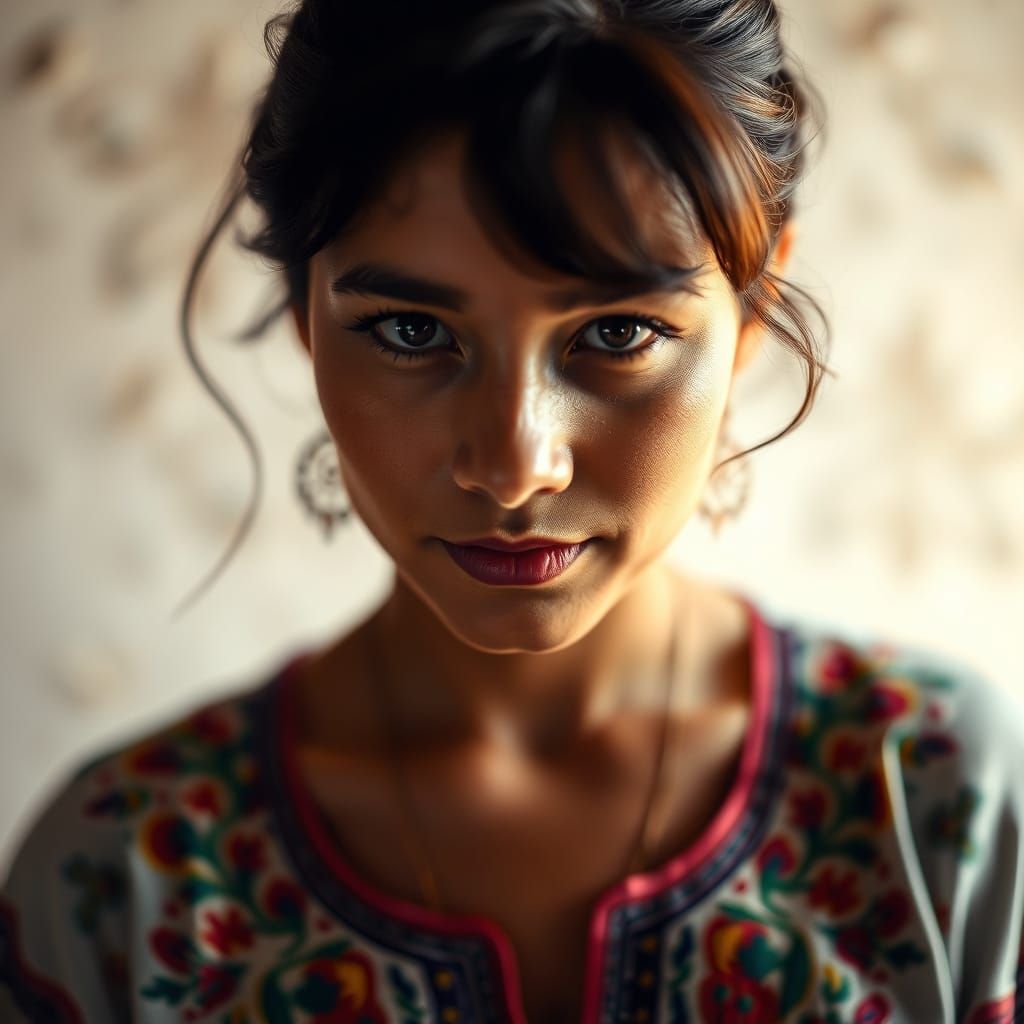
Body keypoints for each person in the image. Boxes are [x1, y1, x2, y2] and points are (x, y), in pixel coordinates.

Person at [2, 1, 1022, 1021]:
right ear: (308, 322)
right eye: (409, 330)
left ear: (751, 311)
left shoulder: (940, 805)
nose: (513, 465)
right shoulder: (121, 881)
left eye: (617, 332)